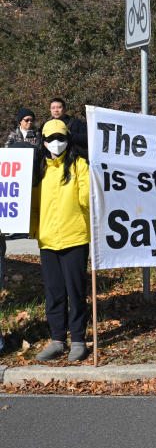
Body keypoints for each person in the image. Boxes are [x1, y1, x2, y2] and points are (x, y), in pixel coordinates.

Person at [30, 119, 91, 362]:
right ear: (43, 142)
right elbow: (33, 204)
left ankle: (78, 339)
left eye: (61, 138)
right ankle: (57, 340)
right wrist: (34, 230)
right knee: (54, 293)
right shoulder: (38, 168)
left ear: (68, 139)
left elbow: (87, 198)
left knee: (75, 292)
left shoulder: (79, 164)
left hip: (75, 238)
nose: (56, 143)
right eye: (51, 139)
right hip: (47, 240)